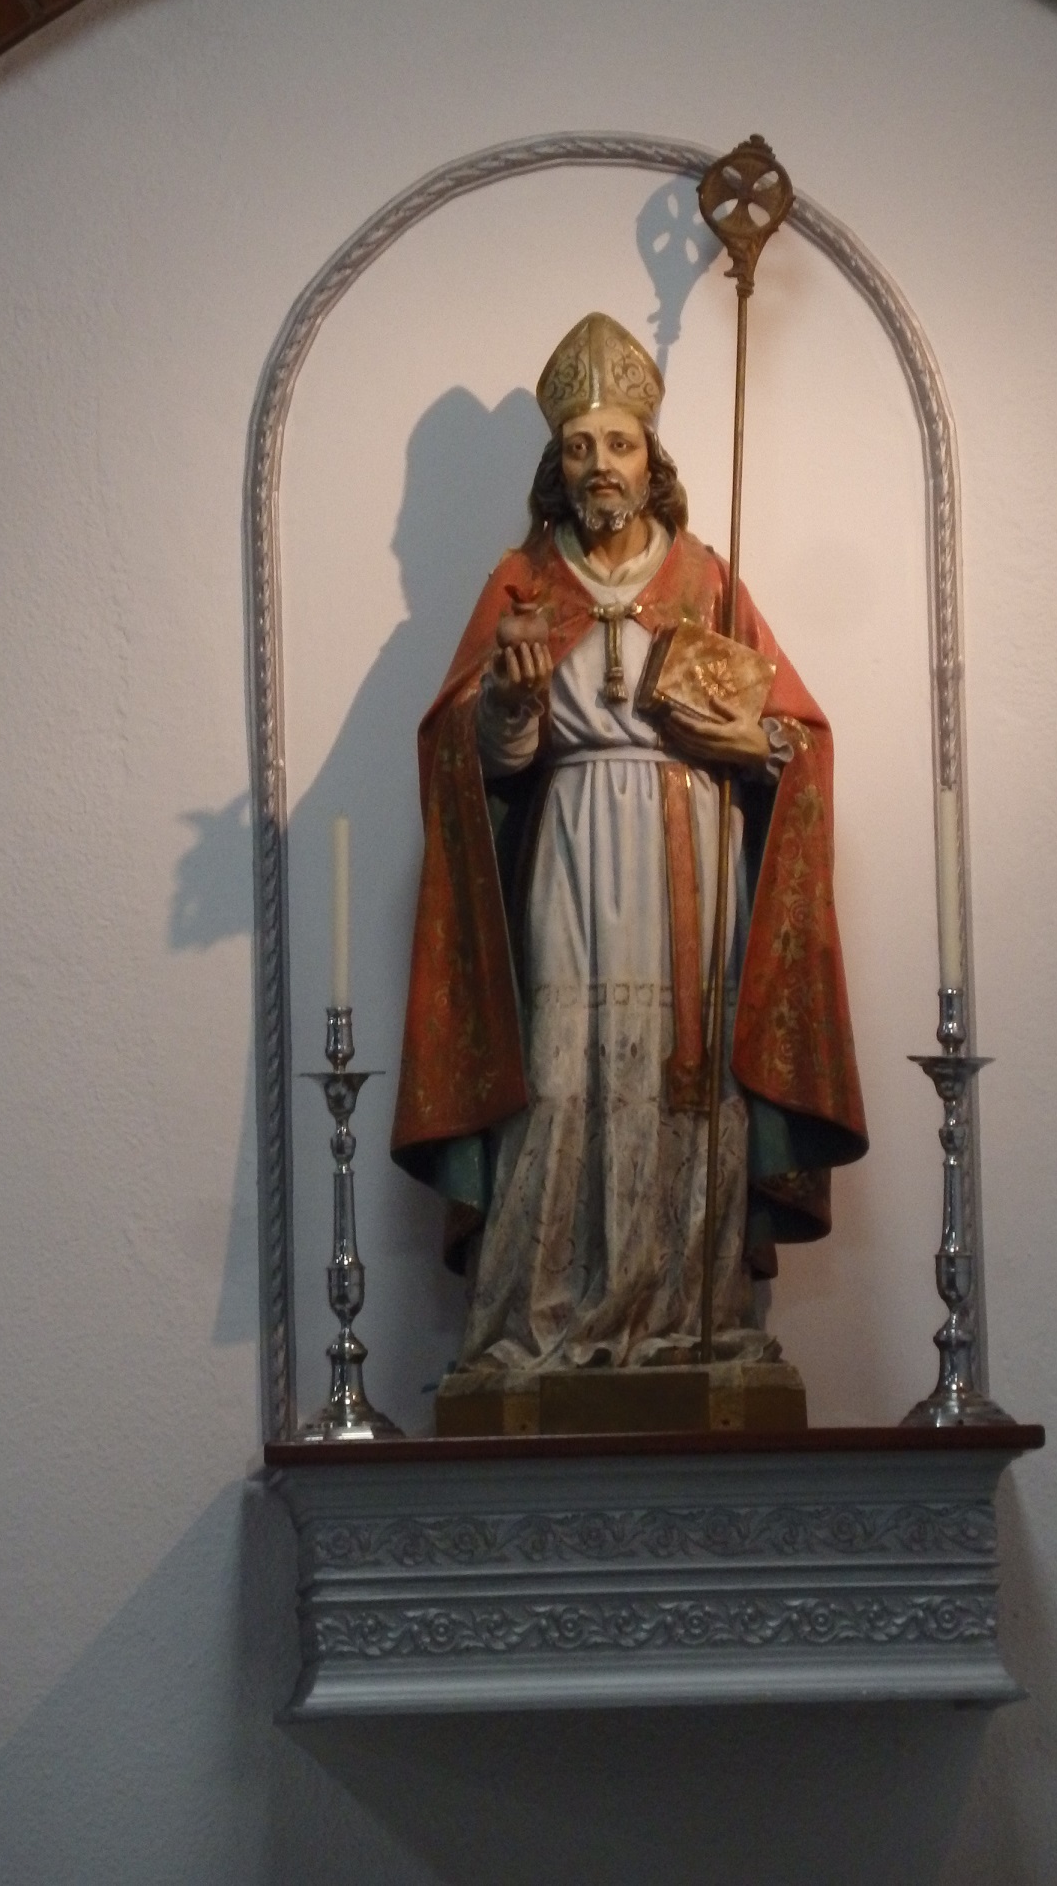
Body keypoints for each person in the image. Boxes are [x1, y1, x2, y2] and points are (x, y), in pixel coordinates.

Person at [391, 312, 866, 1372]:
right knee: (560, 1070)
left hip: (688, 843)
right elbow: (469, 763)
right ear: (556, 466)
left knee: (686, 1077)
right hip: (567, 852)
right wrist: (508, 713)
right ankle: (534, 1321)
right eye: (579, 446)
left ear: (652, 457)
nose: (600, 464)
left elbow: (799, 738)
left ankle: (689, 1321)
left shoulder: (705, 580)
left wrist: (746, 741)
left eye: (619, 442)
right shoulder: (522, 585)